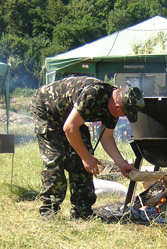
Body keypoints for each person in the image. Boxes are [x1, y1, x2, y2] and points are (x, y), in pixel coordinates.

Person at [30, 76, 145, 221]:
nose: (123, 117)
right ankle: (49, 210)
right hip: (47, 109)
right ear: (117, 106)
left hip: (70, 116)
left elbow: (106, 138)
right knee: (56, 157)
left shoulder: (115, 106)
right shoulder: (93, 94)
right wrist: (86, 158)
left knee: (83, 158)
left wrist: (121, 163)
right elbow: (70, 128)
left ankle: (82, 210)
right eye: (125, 113)